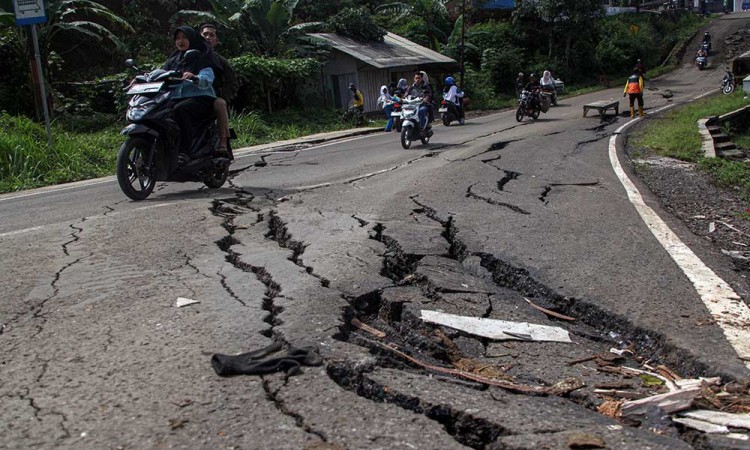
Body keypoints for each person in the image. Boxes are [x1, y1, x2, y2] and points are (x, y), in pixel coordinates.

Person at [162, 26, 219, 163]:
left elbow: (207, 78)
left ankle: (184, 151)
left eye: (184, 37)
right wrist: (140, 78)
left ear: (192, 39)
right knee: (158, 112)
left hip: (201, 98)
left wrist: (195, 77)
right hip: (177, 98)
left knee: (180, 110)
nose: (180, 41)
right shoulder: (173, 60)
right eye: (177, 38)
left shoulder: (202, 56)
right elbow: (159, 73)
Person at [199, 23, 238, 154]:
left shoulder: (220, 61)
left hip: (213, 99)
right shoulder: (190, 57)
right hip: (191, 97)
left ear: (216, 40)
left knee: (219, 103)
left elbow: (232, 84)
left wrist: (217, 94)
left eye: (211, 35)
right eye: (205, 34)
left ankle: (222, 141)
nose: (208, 37)